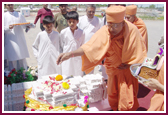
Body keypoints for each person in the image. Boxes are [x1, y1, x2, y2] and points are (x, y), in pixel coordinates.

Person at [57, 6, 147, 111]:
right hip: (112, 70)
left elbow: (139, 51)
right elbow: (89, 47)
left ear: (122, 23)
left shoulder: (132, 30)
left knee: (126, 100)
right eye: (109, 25)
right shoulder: (105, 30)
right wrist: (70, 54)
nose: (112, 29)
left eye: (116, 26)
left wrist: (130, 63)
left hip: (126, 71)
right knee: (113, 96)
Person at [4, 4, 29, 71]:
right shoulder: (3, 16)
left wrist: (28, 26)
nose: (10, 6)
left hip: (20, 39)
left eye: (11, 4)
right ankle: (12, 77)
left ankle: (24, 75)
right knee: (12, 59)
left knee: (22, 59)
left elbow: (24, 25)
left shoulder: (19, 14)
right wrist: (8, 28)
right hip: (10, 40)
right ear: (5, 6)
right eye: (8, 5)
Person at [59, 11, 85, 76]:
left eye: (74, 22)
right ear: (67, 21)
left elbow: (82, 46)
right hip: (66, 59)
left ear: (77, 21)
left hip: (77, 59)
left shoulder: (82, 32)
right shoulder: (63, 32)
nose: (71, 24)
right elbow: (61, 45)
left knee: (78, 76)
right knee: (66, 76)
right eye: (69, 22)